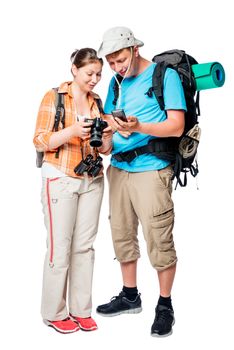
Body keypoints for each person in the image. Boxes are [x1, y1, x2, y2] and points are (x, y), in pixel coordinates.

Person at [96, 27, 186, 337]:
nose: (117, 67)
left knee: (158, 240)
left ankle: (165, 306)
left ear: (135, 49)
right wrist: (107, 133)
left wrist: (138, 126)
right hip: (118, 168)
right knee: (122, 236)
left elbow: (176, 126)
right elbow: (108, 118)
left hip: (151, 169)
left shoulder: (165, 75)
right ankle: (130, 296)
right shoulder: (116, 82)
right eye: (111, 62)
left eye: (120, 59)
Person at [33, 48, 112, 334]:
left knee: (85, 248)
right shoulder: (54, 97)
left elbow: (106, 150)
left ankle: (80, 310)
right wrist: (71, 132)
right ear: (74, 69)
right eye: (89, 73)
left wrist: (104, 138)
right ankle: (54, 312)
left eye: (99, 75)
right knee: (60, 247)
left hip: (92, 179)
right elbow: (40, 141)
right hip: (60, 177)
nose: (94, 79)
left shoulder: (98, 102)